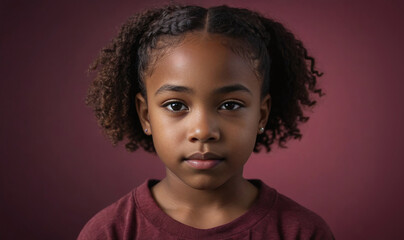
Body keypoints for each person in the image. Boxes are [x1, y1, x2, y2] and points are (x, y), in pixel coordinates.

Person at [78, 4, 333, 239]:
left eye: (230, 105)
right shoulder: (111, 232)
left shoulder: (302, 233)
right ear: (146, 115)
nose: (202, 131)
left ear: (261, 114)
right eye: (176, 105)